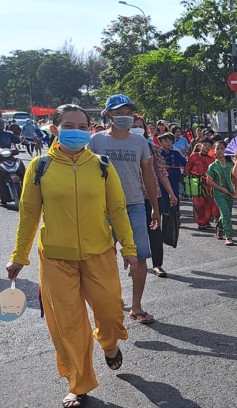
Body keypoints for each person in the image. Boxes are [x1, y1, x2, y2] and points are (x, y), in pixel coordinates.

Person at [6, 104, 136, 408]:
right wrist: (18, 256)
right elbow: (28, 214)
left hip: (99, 254)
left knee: (110, 312)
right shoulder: (40, 167)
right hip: (55, 258)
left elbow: (117, 209)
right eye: (68, 125)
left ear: (90, 129)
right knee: (68, 325)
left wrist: (129, 249)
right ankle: (78, 384)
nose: (75, 130)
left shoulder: (103, 166)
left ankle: (109, 342)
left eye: (82, 125)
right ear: (55, 129)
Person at [88, 94, 160, 325]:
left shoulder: (140, 143)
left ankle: (136, 306)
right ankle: (108, 304)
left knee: (140, 258)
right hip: (102, 208)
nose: (126, 117)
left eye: (129, 113)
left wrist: (155, 208)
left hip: (134, 205)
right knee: (102, 258)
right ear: (109, 115)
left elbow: (148, 175)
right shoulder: (96, 141)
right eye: (120, 113)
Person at [133, 115, 178, 278]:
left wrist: (171, 193)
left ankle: (157, 264)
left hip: (153, 196)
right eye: (134, 125)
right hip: (131, 197)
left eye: (140, 126)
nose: (137, 128)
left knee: (155, 231)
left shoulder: (152, 148)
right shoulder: (122, 148)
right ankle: (136, 264)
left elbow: (161, 171)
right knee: (133, 232)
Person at [207, 140, 237, 246]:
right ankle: (229, 236)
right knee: (225, 213)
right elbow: (209, 181)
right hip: (218, 193)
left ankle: (219, 227)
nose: (220, 151)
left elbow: (236, 178)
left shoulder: (231, 164)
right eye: (217, 149)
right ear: (214, 150)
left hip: (230, 193)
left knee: (227, 214)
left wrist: (236, 191)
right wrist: (221, 188)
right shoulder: (212, 166)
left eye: (222, 148)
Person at [185, 140, 218, 231]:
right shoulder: (194, 156)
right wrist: (186, 179)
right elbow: (187, 168)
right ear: (200, 146)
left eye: (209, 146)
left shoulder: (212, 159)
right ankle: (200, 221)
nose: (207, 147)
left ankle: (206, 220)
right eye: (205, 145)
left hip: (208, 184)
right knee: (198, 203)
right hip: (196, 182)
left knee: (209, 203)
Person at [158, 133, 187, 218]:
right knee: (164, 195)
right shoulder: (158, 153)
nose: (168, 143)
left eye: (170, 141)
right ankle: (164, 213)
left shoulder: (176, 153)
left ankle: (176, 213)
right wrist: (162, 166)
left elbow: (184, 163)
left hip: (174, 178)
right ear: (160, 142)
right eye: (165, 141)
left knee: (175, 194)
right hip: (162, 179)